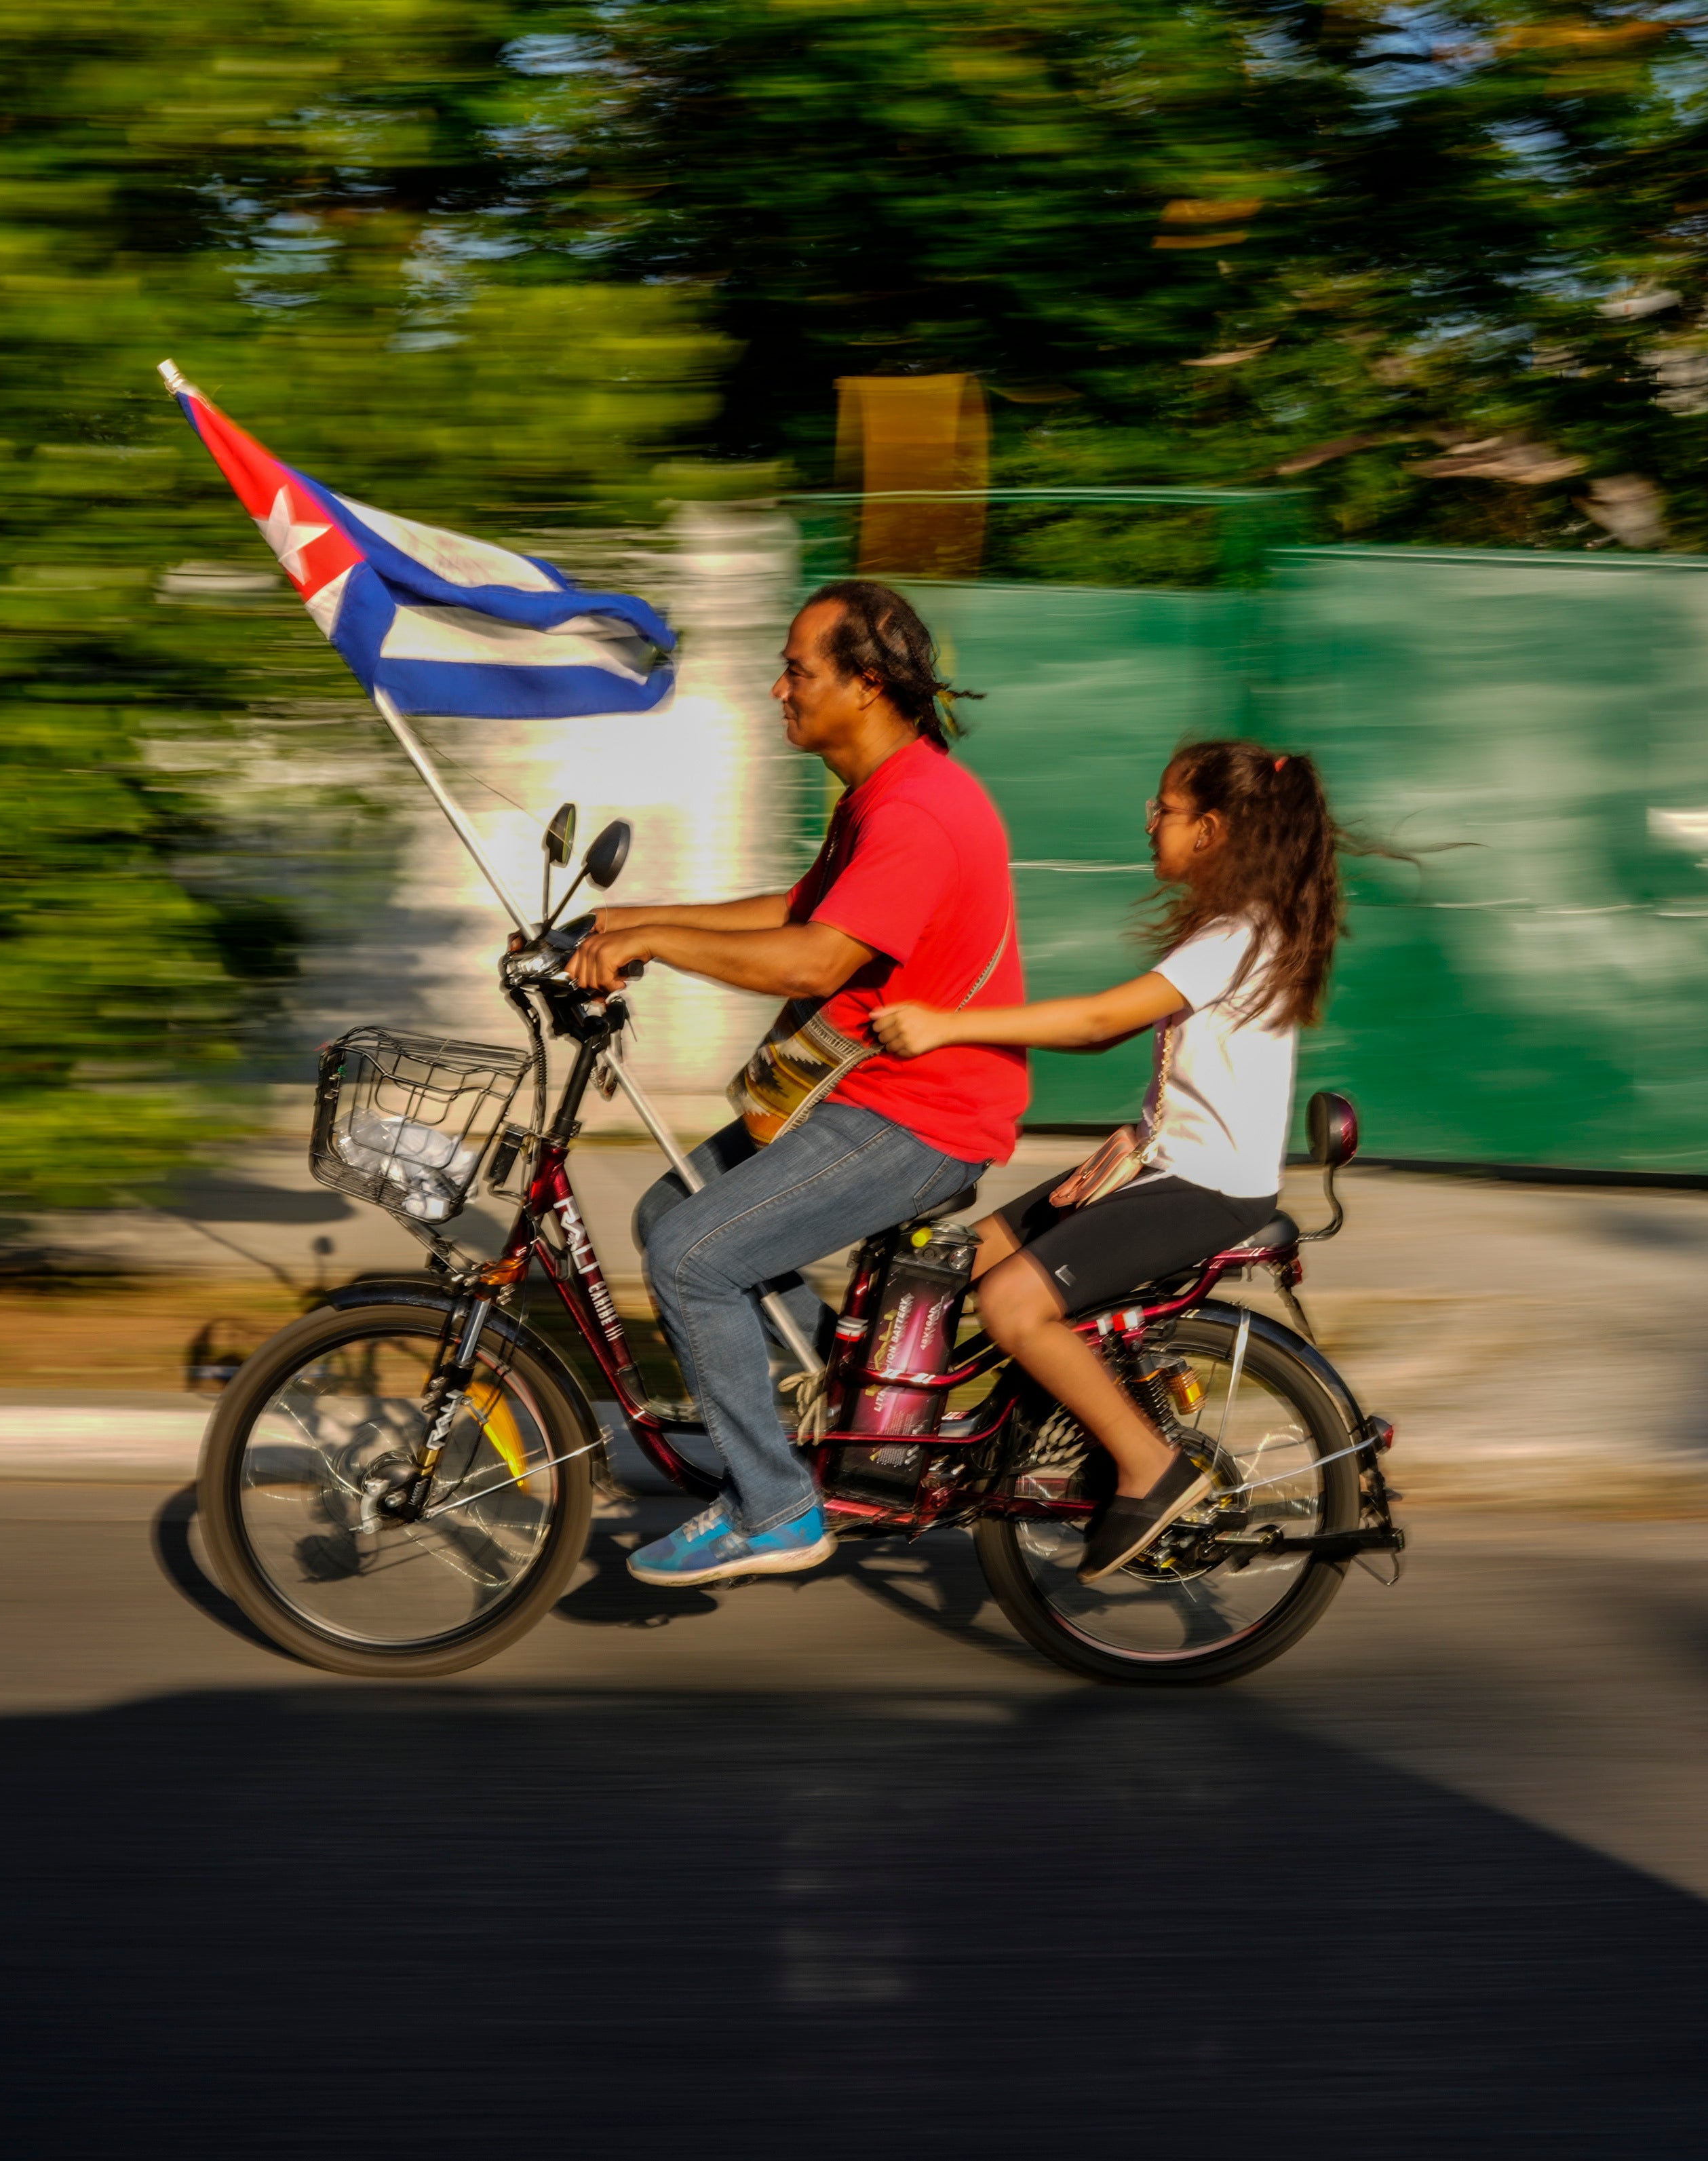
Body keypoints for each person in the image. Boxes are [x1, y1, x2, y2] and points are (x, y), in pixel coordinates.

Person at [566, 579, 1026, 1589]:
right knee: (671, 1210)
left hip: (918, 1112)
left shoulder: (915, 809)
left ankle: (772, 1508)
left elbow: (816, 961)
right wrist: (621, 923)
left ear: (865, 685)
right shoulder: (880, 793)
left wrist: (655, 941)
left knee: (692, 1258)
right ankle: (850, 1403)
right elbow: (795, 906)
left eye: (796, 670)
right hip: (856, 1091)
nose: (779, 688)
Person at [870, 738, 1348, 1580]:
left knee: (1011, 1304)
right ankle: (901, 1448)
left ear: (1209, 829)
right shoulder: (1233, 927)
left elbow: (1096, 1023)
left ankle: (1147, 1465)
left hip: (1205, 1187)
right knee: (951, 1260)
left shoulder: (1237, 934)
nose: (1148, 823)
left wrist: (947, 1025)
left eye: (1161, 809)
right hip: (1162, 1164)